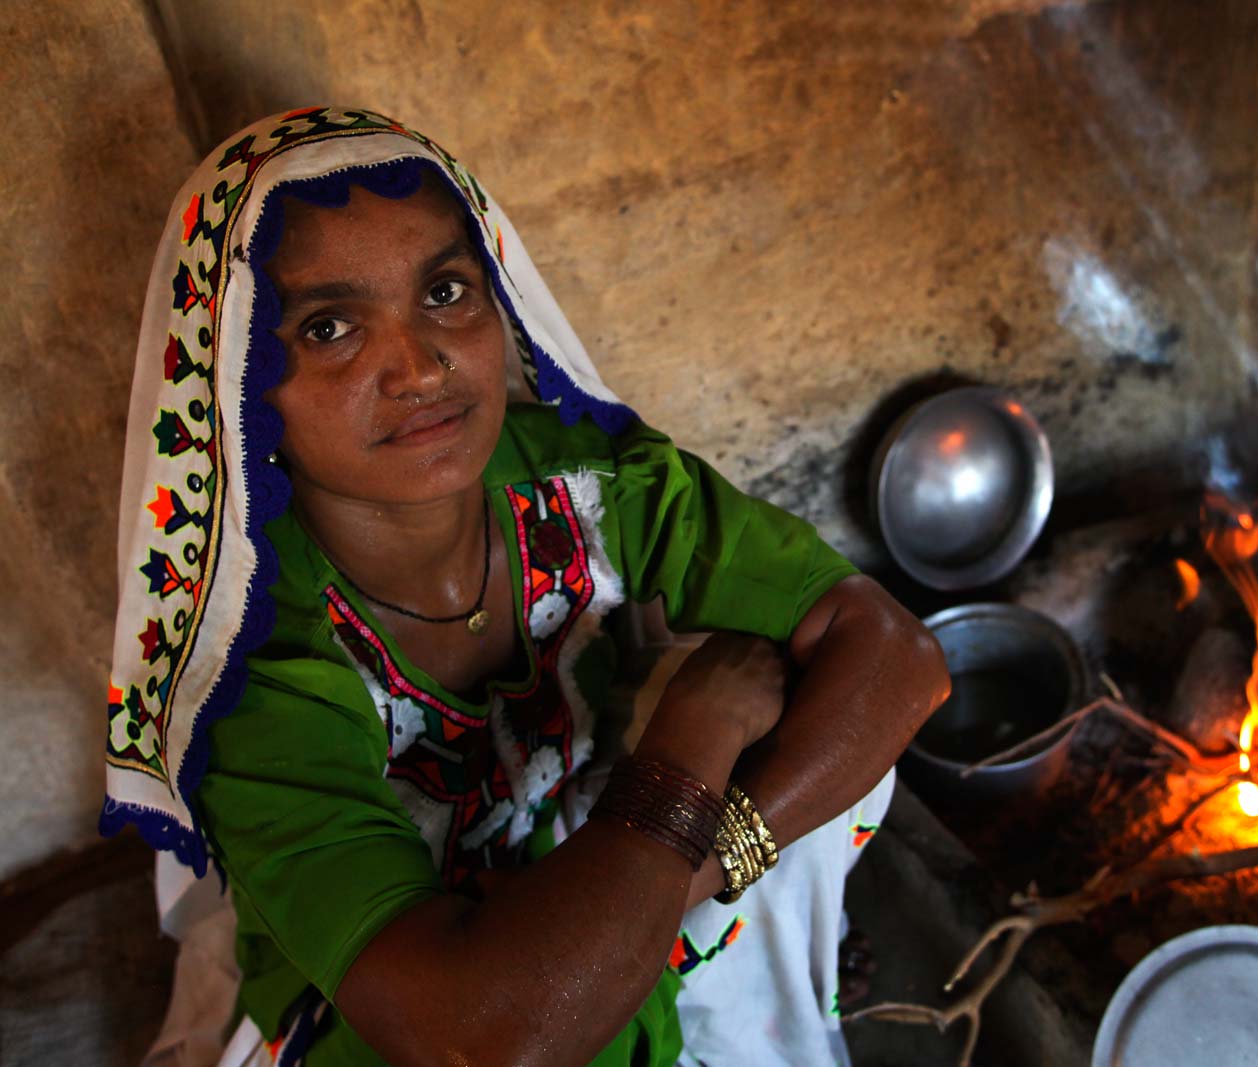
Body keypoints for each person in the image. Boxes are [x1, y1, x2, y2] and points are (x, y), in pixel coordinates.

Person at [102, 106, 949, 1067]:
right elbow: (483, 1039)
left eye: (447, 291)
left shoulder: (585, 482)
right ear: (239, 382)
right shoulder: (254, 665)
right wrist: (692, 740)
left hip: (611, 844)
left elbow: (897, 657)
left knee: (837, 744)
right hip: (415, 1003)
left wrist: (675, 866)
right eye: (331, 326)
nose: (420, 366)